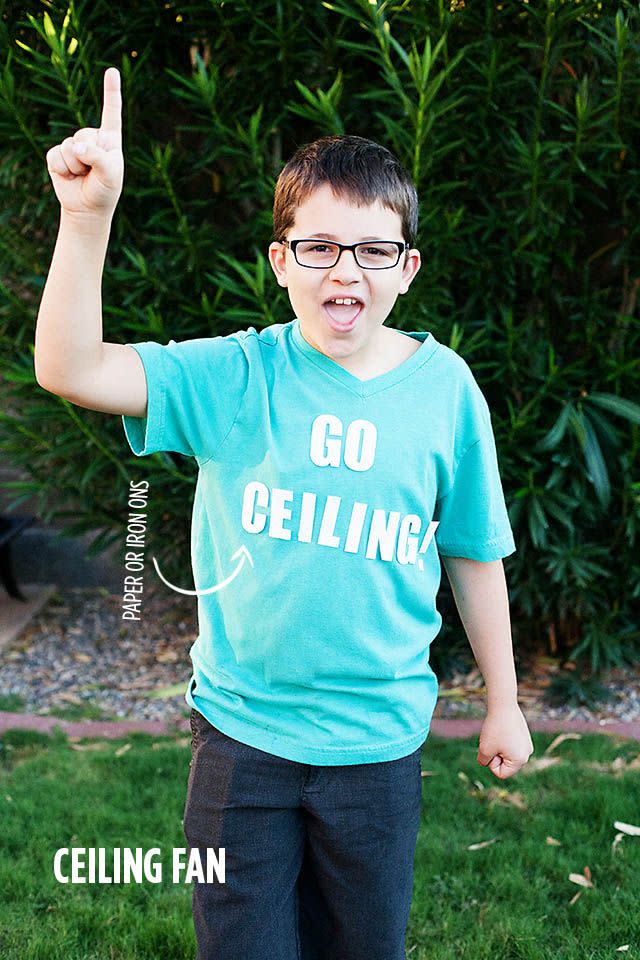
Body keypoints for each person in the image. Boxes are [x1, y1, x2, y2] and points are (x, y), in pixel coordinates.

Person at [36, 66, 534, 960]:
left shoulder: (446, 392)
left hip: (378, 749)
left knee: (363, 946)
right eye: (319, 247)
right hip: (242, 743)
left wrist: (503, 700)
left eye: (373, 250)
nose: (346, 270)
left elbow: (472, 553)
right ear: (280, 260)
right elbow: (72, 370)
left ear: (407, 268)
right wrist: (86, 221)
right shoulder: (238, 374)